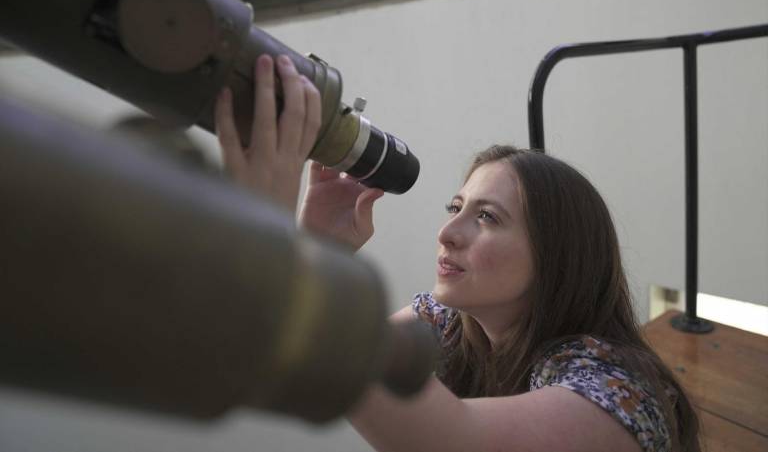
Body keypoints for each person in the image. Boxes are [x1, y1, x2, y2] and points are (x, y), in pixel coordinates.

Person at [215, 54, 700, 452]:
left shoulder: (614, 394)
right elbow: (304, 365)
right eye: (456, 207)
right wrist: (321, 248)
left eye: (487, 217)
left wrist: (271, 235)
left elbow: (456, 438)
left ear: (557, 256)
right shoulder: (447, 322)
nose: (447, 232)